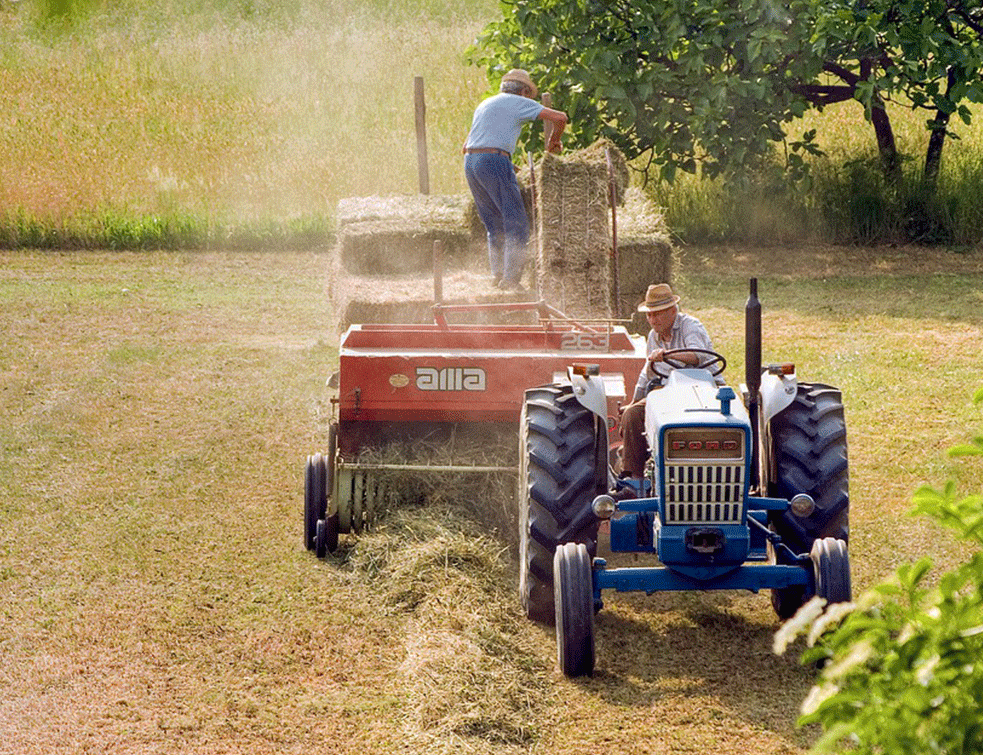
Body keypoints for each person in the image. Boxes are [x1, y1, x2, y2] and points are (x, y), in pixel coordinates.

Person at [463, 68, 568, 291]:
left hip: (471, 163)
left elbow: (468, 146)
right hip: (492, 160)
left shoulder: (485, 104)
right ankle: (511, 281)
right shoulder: (517, 101)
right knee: (517, 224)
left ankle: (498, 275)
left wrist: (507, 164)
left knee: (494, 225)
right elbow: (560, 118)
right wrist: (553, 141)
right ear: (523, 91)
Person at [617, 283, 716, 488]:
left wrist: (667, 355)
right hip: (668, 392)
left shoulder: (691, 326)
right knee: (632, 415)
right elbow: (647, 372)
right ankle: (635, 481)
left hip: (702, 390)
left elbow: (699, 356)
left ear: (673, 311)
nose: (653, 320)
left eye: (658, 314)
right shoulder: (654, 336)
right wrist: (633, 401)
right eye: (649, 315)